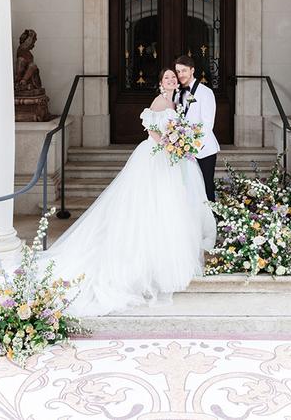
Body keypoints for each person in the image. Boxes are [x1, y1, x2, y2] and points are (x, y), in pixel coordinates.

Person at [41, 68, 216, 316]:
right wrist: (168, 143)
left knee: (171, 206)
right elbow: (151, 128)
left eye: (173, 78)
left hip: (171, 157)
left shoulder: (175, 101)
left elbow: (177, 127)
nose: (171, 80)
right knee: (151, 203)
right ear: (160, 82)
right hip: (156, 156)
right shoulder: (158, 101)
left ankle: (165, 258)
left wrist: (179, 142)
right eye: (167, 77)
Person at [174, 55, 220, 202]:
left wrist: (194, 147)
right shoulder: (178, 93)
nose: (180, 75)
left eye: (184, 71)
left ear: (192, 70)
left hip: (204, 149)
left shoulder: (206, 92)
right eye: (178, 71)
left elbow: (208, 124)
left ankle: (212, 221)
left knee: (207, 187)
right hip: (184, 150)